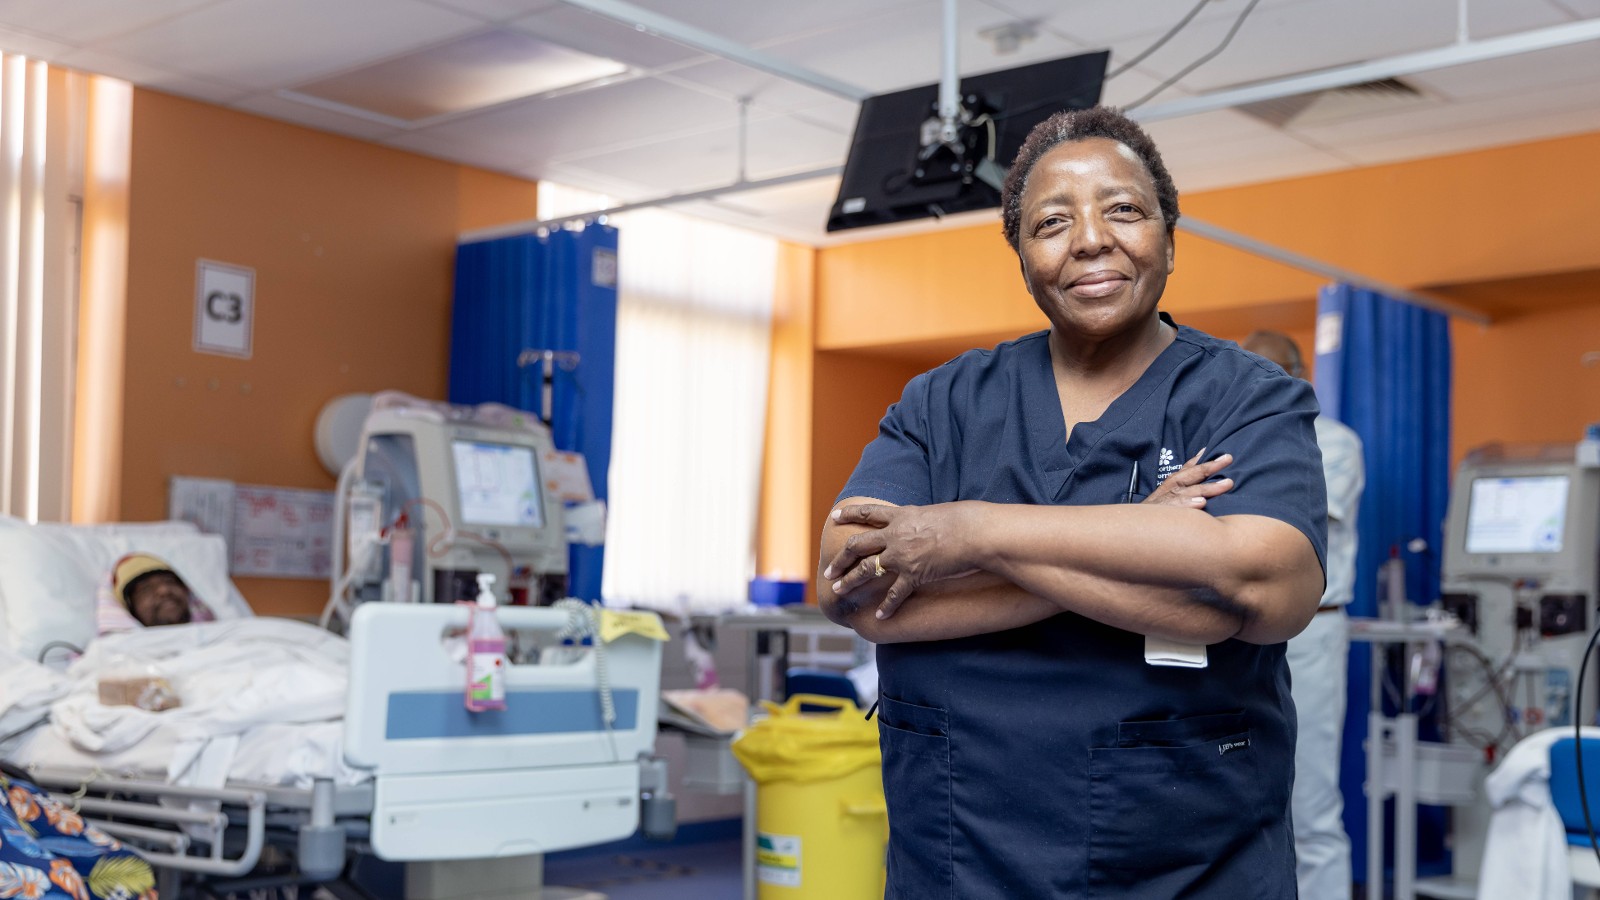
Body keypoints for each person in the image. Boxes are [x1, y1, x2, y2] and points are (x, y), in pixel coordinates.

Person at [817, 106, 1328, 898]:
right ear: (1020, 253)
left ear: (1169, 231)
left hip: (1186, 861)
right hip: (960, 853)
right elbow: (849, 582)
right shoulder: (941, 402)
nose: (1091, 238)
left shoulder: (1245, 397)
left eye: (1123, 209)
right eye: (1053, 221)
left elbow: (1266, 588)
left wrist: (974, 532)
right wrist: (1144, 547)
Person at [1243, 329, 1365, 900]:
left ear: (1297, 373)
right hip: (1241, 626)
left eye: (1271, 370)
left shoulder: (1334, 442)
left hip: (1314, 629)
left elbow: (1282, 527)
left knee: (1311, 801)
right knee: (1246, 792)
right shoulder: (1234, 435)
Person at [97, 553, 216, 632]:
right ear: (130, 610)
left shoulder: (225, 641)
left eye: (170, 582)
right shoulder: (109, 661)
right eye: (146, 589)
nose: (164, 590)